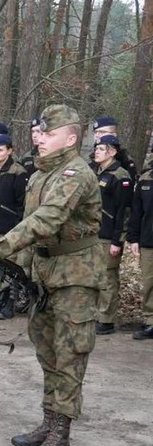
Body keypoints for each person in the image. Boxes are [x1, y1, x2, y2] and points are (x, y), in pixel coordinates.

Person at [0, 104, 102, 446]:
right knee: (47, 351)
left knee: (70, 354)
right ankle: (49, 421)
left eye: (48, 134)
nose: (40, 139)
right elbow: (33, 226)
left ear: (71, 137)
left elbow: (47, 219)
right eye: (39, 133)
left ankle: (62, 431)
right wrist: (22, 269)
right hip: (47, 274)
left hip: (76, 276)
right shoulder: (40, 174)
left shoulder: (75, 173)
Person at [0, 134, 28, 320]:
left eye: (0, 150)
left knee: (9, 269)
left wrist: (16, 227)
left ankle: (8, 304)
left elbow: (21, 204)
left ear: (9, 150)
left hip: (8, 229)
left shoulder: (18, 172)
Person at [92, 134, 132, 335]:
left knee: (108, 277)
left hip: (109, 236)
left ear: (113, 151)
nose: (97, 151)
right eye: (96, 148)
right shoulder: (96, 172)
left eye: (102, 148)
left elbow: (123, 211)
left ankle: (106, 319)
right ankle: (96, 314)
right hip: (93, 234)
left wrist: (118, 240)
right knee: (95, 276)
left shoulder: (120, 175)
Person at [127, 163, 153, 340]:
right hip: (148, 240)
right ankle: (152, 320)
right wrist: (133, 238)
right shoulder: (145, 179)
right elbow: (136, 212)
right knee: (149, 282)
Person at [91, 116, 138, 181]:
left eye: (102, 132)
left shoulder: (124, 161)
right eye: (95, 132)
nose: (97, 135)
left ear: (114, 135)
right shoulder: (91, 158)